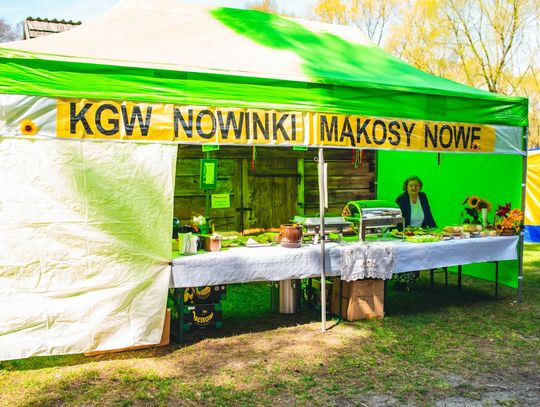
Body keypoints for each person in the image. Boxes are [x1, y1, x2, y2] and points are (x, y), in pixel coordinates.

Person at [394, 176, 437, 290]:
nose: (414, 188)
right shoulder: (401, 199)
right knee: (407, 253)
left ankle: (409, 279)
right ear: (406, 187)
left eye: (416, 185)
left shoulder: (423, 196)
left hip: (420, 233)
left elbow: (428, 214)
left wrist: (435, 229)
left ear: (420, 187)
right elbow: (397, 220)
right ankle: (402, 281)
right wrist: (404, 231)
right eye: (411, 186)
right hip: (405, 233)